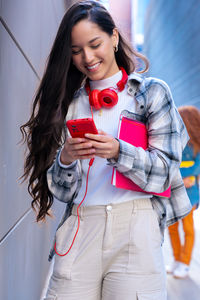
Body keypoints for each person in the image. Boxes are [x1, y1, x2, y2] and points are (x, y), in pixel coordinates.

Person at [20, 1, 191, 299]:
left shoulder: (151, 94)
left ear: (113, 38)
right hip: (80, 226)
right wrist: (66, 158)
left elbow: (164, 173)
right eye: (76, 51)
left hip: (135, 227)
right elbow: (63, 191)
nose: (87, 57)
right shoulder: (69, 104)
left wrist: (117, 151)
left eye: (94, 44)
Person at [166, 106, 200, 279]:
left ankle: (185, 263)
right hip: (173, 193)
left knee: (188, 229)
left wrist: (183, 175)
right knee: (172, 228)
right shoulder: (175, 141)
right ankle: (177, 259)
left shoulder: (197, 145)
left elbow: (197, 166)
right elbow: (169, 164)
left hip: (190, 194)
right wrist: (180, 178)